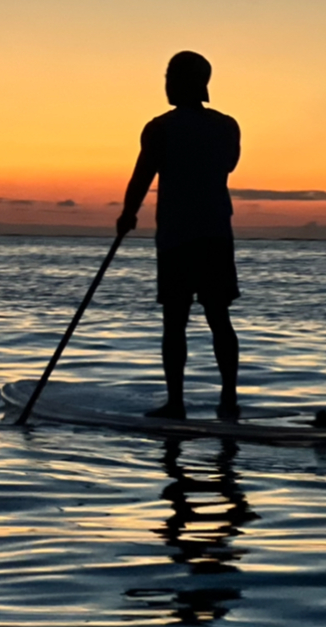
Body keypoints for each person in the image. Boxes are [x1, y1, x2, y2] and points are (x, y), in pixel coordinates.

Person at [116, 51, 241, 421]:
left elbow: (143, 175)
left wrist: (127, 214)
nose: (166, 84)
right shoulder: (227, 126)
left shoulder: (160, 128)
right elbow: (228, 165)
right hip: (216, 233)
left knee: (176, 320)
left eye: (170, 77)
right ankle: (229, 400)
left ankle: (176, 403)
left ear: (185, 82)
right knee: (219, 317)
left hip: (178, 237)